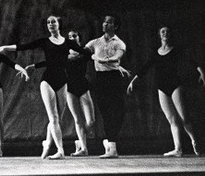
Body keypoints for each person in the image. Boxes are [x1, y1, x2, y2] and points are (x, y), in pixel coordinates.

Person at [0, 16, 92, 159]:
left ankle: (47, 145)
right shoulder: (44, 41)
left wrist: (110, 61)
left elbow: (88, 53)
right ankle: (60, 151)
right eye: (48, 22)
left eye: (53, 22)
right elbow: (24, 46)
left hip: (62, 82)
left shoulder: (68, 43)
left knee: (57, 120)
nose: (50, 24)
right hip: (47, 81)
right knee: (54, 117)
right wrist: (4, 47)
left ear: (59, 24)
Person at [127, 26, 205, 157]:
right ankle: (178, 149)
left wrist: (202, 73)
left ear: (170, 35)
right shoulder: (156, 52)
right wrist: (133, 81)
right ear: (159, 34)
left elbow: (191, 61)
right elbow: (145, 67)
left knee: (184, 118)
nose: (165, 33)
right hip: (161, 87)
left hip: (175, 85)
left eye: (168, 31)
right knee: (171, 119)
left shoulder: (176, 50)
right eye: (163, 31)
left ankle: (194, 140)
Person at [26, 29, 95, 156]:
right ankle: (83, 147)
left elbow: (95, 57)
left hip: (83, 86)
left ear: (79, 38)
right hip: (69, 87)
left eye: (74, 36)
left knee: (90, 121)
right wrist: (35, 66)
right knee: (66, 119)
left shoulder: (84, 52)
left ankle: (79, 142)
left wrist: (117, 65)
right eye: (69, 36)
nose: (72, 38)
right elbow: (51, 62)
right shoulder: (65, 53)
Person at [85, 15, 129, 158]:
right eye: (104, 21)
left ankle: (111, 142)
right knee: (105, 112)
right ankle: (112, 146)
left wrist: (104, 60)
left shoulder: (119, 43)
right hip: (101, 79)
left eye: (109, 22)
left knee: (119, 111)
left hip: (114, 78)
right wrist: (91, 56)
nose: (105, 24)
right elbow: (83, 52)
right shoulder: (95, 42)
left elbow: (117, 57)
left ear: (115, 26)